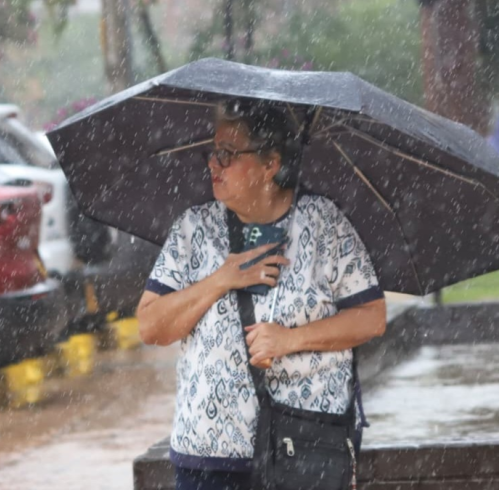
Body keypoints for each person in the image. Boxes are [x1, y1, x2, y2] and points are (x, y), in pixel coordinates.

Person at [136, 99, 387, 490]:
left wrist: (290, 339)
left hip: (304, 447)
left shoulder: (324, 224)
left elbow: (372, 316)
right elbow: (151, 327)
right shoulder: (193, 229)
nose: (213, 165)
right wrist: (220, 279)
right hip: (210, 456)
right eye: (213, 153)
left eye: (227, 155)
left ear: (270, 164)